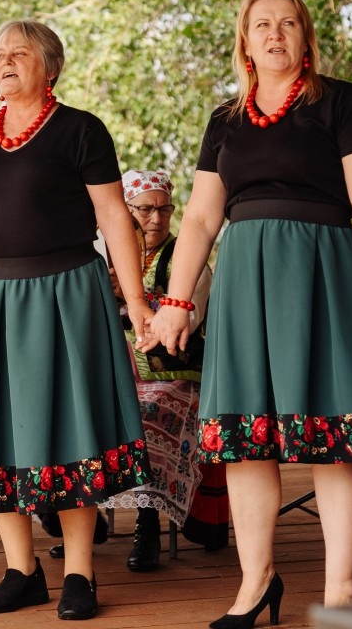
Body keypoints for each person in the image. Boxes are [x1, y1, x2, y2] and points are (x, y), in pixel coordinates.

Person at [150, 0, 352, 628]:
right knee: (248, 440)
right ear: (244, 41)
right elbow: (197, 219)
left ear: (306, 37)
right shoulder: (225, 118)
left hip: (324, 271)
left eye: (288, 24)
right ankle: (256, 583)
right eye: (261, 25)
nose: (275, 34)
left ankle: (342, 589)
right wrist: (175, 300)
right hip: (247, 280)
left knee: (334, 436)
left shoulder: (342, 102)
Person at [0, 19, 153, 621]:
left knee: (68, 430)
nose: (5, 61)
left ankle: (78, 574)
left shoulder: (80, 130)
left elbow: (114, 217)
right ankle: (22, 570)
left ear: (50, 66)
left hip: (66, 294)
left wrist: (139, 299)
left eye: (19, 53)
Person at [103, 170, 214, 572]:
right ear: (125, 212)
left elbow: (189, 317)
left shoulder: (186, 259)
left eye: (164, 209)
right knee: (84, 410)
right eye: (145, 210)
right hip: (115, 375)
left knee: (147, 414)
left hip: (174, 378)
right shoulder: (104, 258)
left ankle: (146, 523)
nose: (156, 218)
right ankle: (78, 516)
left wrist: (135, 301)